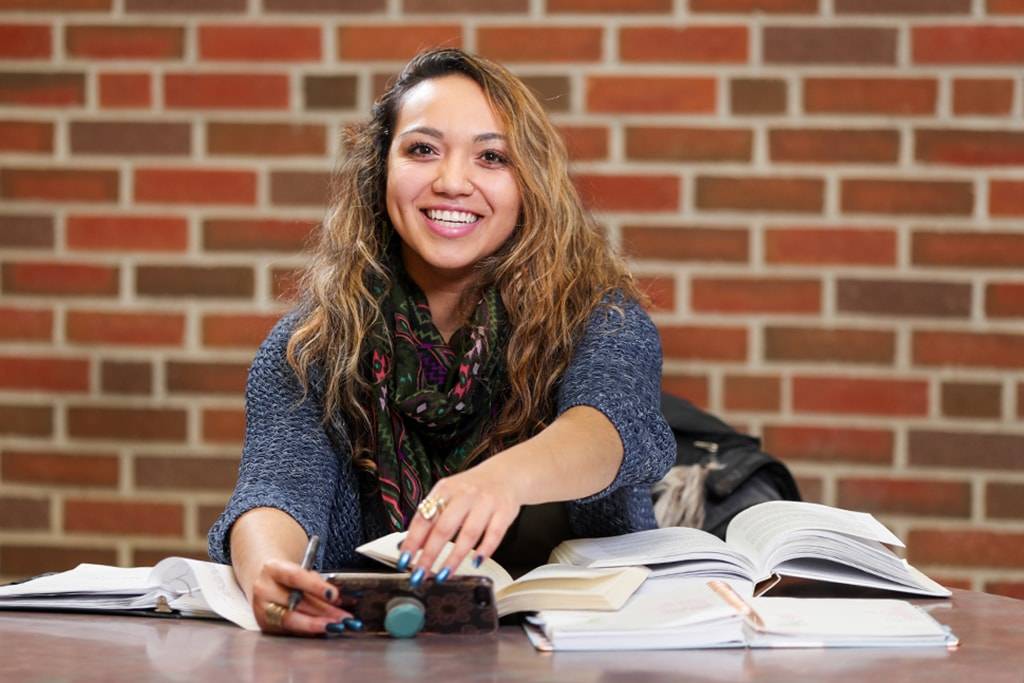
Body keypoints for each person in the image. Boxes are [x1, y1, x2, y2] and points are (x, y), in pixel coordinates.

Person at [207, 48, 676, 636]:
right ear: (381, 171)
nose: (453, 182)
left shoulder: (600, 317)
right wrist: (267, 570)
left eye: (492, 157)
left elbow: (608, 430)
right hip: (367, 652)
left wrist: (502, 480)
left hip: (573, 654)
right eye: (422, 149)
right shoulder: (312, 343)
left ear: (529, 182)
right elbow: (275, 487)